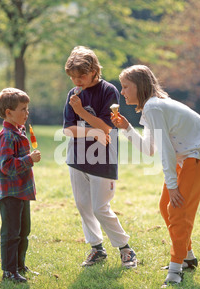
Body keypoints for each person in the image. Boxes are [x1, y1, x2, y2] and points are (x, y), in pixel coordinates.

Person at [112, 65, 200, 285]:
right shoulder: (150, 108)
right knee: (166, 206)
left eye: (125, 87)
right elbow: (149, 148)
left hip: (199, 153)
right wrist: (127, 128)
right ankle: (187, 258)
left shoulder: (154, 107)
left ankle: (175, 270)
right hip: (187, 156)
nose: (122, 92)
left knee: (177, 208)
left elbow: (166, 151)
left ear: (140, 86)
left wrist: (172, 185)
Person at [63, 46, 137, 268]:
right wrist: (92, 131)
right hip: (76, 157)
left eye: (81, 76)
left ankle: (125, 249)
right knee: (83, 205)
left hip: (103, 157)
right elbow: (68, 130)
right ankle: (97, 248)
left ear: (95, 70)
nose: (77, 81)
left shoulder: (109, 91)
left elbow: (107, 128)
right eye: (73, 77)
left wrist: (82, 114)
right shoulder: (73, 94)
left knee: (100, 207)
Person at [0, 88, 41, 282]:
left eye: (27, 108)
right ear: (9, 113)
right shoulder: (7, 136)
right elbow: (6, 166)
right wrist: (29, 159)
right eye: (23, 109)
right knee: (11, 233)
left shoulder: (19, 132)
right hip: (11, 194)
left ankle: (20, 266)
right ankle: (9, 271)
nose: (26, 113)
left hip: (22, 192)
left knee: (23, 231)